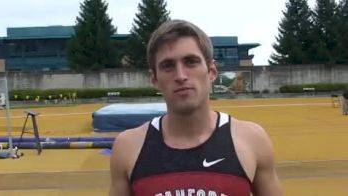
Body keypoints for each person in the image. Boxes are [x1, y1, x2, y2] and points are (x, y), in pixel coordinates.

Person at [109, 19, 282, 196]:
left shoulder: (252, 140)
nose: (181, 75)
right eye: (168, 66)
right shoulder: (128, 148)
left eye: (190, 62)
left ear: (211, 71)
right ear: (154, 79)